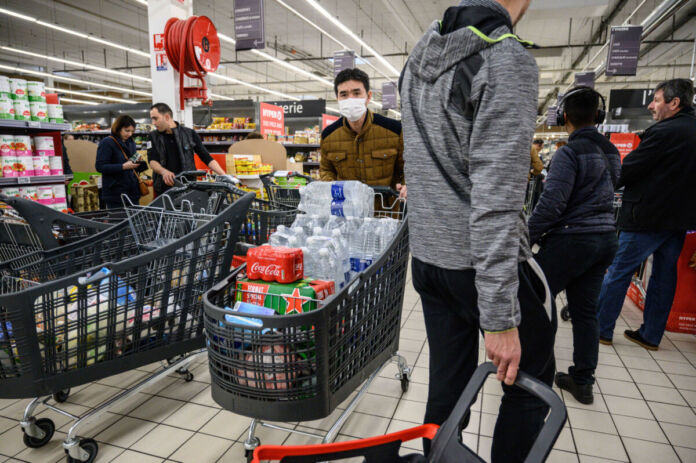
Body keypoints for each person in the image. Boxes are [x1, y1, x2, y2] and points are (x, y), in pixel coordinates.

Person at [400, 0, 554, 461]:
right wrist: (500, 317)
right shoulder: (504, 58)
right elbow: (497, 201)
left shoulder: (420, 54)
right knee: (530, 384)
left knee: (448, 390)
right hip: (476, 266)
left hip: (429, 261)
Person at [528, 87, 620, 404]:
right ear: (599, 116)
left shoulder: (570, 153)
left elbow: (552, 203)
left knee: (533, 298)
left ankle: (529, 371)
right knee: (585, 312)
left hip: (573, 240)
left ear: (564, 117)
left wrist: (527, 238)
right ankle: (582, 380)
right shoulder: (612, 152)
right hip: (605, 240)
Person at [597, 79, 696, 350]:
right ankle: (651, 335)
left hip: (646, 217)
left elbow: (628, 170)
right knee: (664, 277)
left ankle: (601, 328)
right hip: (681, 221)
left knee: (619, 271)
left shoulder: (664, 132)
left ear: (674, 103)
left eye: (656, 99)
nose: (651, 105)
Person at [319, 68, 406, 198]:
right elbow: (326, 169)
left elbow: (406, 167)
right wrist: (332, 188)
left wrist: (406, 185)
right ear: (337, 98)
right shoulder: (328, 135)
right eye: (344, 94)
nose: (350, 99)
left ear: (368, 96)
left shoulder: (394, 130)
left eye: (356, 93)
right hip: (347, 212)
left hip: (385, 212)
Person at [148, 103, 226, 195]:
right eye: (152, 119)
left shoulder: (189, 134)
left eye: (155, 118)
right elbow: (152, 160)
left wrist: (224, 175)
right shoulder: (152, 136)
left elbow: (206, 157)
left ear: (167, 117)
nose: (153, 123)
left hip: (187, 187)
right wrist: (164, 172)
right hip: (163, 188)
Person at [95, 115, 147, 208]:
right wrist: (123, 166)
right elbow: (100, 166)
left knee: (135, 221)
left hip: (132, 192)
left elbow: (132, 159)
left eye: (132, 131)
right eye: (127, 131)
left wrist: (139, 162)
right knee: (118, 220)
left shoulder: (131, 142)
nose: (130, 134)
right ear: (118, 128)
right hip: (115, 194)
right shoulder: (107, 142)